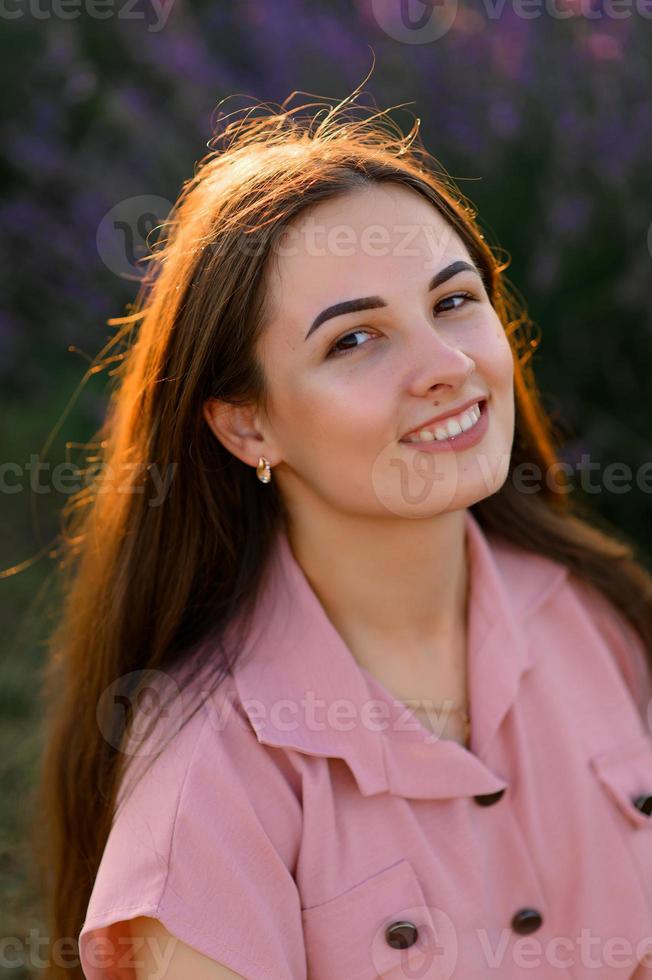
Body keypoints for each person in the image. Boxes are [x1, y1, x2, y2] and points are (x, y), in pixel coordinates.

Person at [35, 86, 652, 980]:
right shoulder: (211, 779)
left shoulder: (594, 615)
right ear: (248, 426)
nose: (446, 368)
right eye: (355, 341)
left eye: (452, 302)